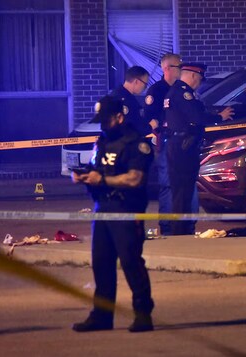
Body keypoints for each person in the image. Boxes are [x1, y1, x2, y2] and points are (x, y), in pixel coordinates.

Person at [71, 95, 155, 333]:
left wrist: (104, 179)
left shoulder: (136, 144)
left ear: (119, 117)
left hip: (126, 209)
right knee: (101, 264)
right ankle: (101, 316)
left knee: (131, 262)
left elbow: (135, 178)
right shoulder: (102, 142)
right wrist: (83, 175)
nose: (103, 125)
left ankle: (142, 315)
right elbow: (95, 168)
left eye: (107, 120)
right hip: (103, 209)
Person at [164, 63, 234, 235]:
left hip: (179, 144)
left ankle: (181, 228)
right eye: (200, 79)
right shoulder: (184, 93)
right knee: (183, 190)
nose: (199, 84)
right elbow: (197, 117)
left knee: (182, 189)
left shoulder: (176, 91)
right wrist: (219, 117)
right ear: (194, 76)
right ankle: (180, 230)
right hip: (183, 146)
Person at [143, 53, 182, 236]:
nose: (181, 69)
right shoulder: (156, 91)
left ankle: (182, 224)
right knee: (167, 184)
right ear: (167, 68)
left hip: (180, 142)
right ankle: (166, 224)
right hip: (164, 142)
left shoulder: (181, 89)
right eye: (177, 66)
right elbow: (151, 118)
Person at [110, 66, 151, 136]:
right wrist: (150, 126)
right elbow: (132, 128)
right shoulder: (123, 100)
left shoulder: (119, 95)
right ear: (137, 81)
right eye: (145, 84)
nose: (145, 88)